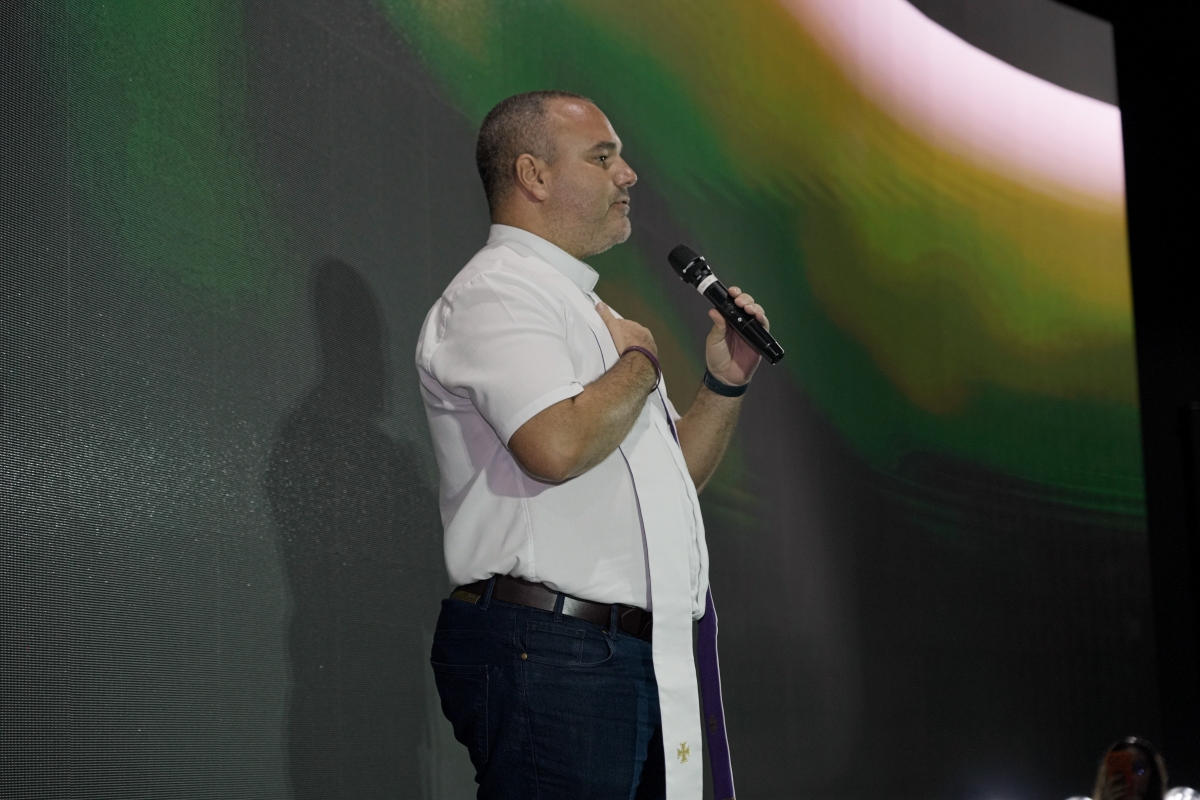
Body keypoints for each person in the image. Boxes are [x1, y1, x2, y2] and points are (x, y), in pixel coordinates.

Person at [415, 90, 769, 799]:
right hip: (554, 651)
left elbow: (672, 483)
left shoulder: (586, 308)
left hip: (618, 654)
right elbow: (556, 446)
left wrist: (723, 385)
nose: (628, 174)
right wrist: (640, 364)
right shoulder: (499, 293)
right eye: (603, 158)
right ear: (534, 176)